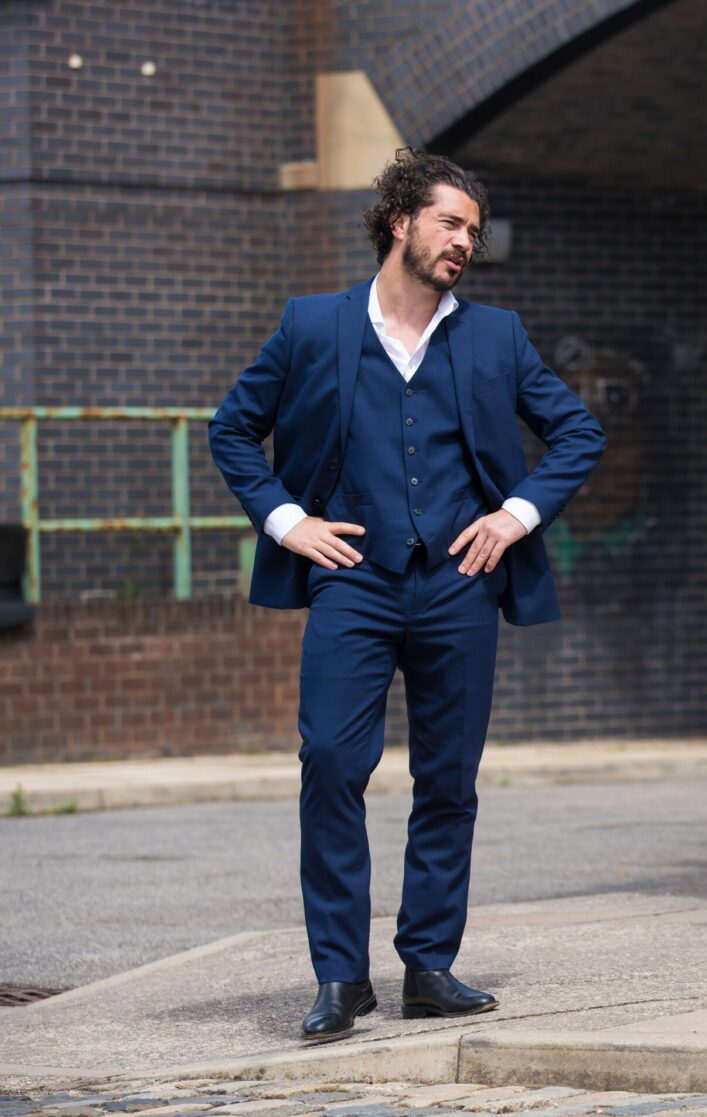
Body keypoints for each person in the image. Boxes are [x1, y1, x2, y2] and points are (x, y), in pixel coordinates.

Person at [209, 150, 605, 1043]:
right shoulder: (314, 326)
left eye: (473, 229)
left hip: (457, 585)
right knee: (331, 766)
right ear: (400, 223)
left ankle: (428, 965)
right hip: (352, 580)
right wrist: (285, 521)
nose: (466, 240)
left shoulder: (495, 336)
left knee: (448, 779)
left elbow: (577, 429)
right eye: (450, 223)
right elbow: (233, 428)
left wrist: (515, 514)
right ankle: (341, 976)